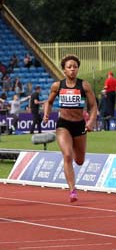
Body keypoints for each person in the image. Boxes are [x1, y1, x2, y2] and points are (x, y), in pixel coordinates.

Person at [43, 55, 98, 202]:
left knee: (79, 161)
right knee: (67, 155)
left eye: (75, 66)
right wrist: (47, 114)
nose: (73, 69)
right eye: (69, 67)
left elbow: (93, 106)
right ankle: (72, 190)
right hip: (63, 125)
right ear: (64, 70)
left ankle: (73, 147)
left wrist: (91, 121)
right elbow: (48, 102)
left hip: (79, 125)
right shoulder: (57, 86)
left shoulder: (84, 85)